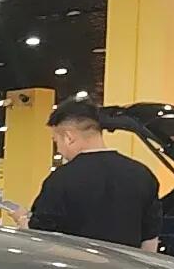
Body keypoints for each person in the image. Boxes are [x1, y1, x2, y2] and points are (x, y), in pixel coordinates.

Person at [20, 99, 163, 250]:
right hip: (127, 265)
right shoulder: (142, 174)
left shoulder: (60, 180)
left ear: (69, 137)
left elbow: (41, 239)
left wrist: (23, 221)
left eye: (56, 141)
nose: (59, 150)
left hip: (76, 264)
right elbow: (150, 240)